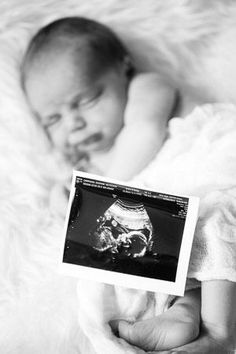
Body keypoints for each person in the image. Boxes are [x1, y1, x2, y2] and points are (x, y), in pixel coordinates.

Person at [21, 17, 236, 353]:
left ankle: (221, 335)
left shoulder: (147, 88)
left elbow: (145, 133)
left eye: (87, 100)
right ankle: (185, 314)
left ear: (124, 69)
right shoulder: (96, 160)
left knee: (217, 218)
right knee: (185, 252)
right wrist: (62, 196)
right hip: (186, 212)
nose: (74, 123)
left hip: (223, 161)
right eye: (53, 119)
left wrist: (92, 192)